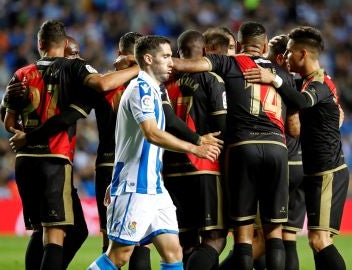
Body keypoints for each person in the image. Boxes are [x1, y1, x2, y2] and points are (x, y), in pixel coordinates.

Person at [2, 20, 139, 270]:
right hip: (54, 159)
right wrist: (142, 67)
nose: (77, 57)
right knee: (55, 233)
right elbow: (100, 86)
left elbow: (7, 119)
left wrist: (17, 123)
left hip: (24, 160)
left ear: (39, 43)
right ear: (64, 46)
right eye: (74, 53)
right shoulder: (74, 71)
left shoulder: (21, 74)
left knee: (66, 230)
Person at [88, 35, 221, 270]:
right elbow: (152, 133)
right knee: (119, 256)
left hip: (155, 188)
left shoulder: (155, 90)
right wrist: (194, 148)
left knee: (173, 252)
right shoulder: (141, 89)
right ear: (148, 59)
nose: (172, 62)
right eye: (166, 56)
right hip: (135, 186)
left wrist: (197, 139)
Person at [172, 21, 297, 270]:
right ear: (263, 47)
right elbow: (294, 127)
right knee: (275, 233)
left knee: (243, 234)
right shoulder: (281, 75)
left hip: (242, 147)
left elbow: (190, 64)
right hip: (277, 148)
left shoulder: (229, 63)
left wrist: (154, 62)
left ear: (239, 44)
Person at [244, 26, 349, 270]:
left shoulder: (319, 83)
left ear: (303, 54)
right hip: (314, 172)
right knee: (316, 242)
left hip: (328, 172)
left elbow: (302, 101)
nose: (287, 57)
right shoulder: (306, 82)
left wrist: (274, 78)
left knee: (320, 240)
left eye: (290, 52)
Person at [163, 29, 227, 270]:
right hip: (205, 167)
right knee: (215, 238)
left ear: (179, 53)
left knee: (187, 241)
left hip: (171, 169)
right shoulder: (212, 79)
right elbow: (222, 127)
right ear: (205, 53)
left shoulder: (164, 84)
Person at [266, 34, 305, 270]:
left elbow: (293, 128)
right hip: (301, 164)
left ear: (280, 58)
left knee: (267, 235)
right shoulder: (307, 83)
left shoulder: (276, 82)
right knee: (289, 236)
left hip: (281, 163)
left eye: (269, 57)